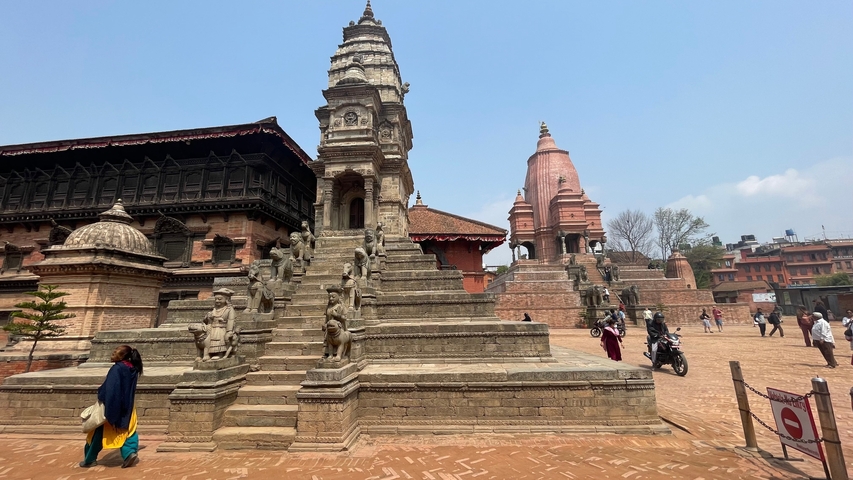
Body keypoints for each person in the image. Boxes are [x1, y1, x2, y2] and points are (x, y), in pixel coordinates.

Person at [80, 345, 143, 468]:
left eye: (116, 352)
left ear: (123, 356)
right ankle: (129, 453)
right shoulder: (132, 369)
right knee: (129, 431)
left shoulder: (116, 369)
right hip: (128, 407)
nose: (112, 354)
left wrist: (101, 391)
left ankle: (89, 459)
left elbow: (111, 390)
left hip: (111, 405)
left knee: (97, 432)